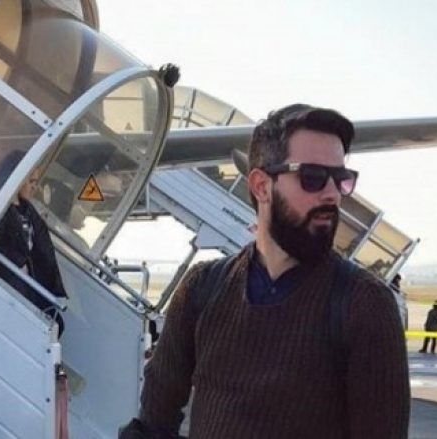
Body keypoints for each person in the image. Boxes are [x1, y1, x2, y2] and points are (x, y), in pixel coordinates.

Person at [122, 104, 409, 438]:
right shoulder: (203, 288)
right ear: (261, 186)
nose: (332, 194)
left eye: (341, 179)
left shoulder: (365, 304)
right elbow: (153, 424)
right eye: (312, 177)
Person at [0, 150, 68, 337]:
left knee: (55, 324)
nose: (34, 186)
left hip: (32, 282)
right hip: (14, 283)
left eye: (36, 182)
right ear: (17, 179)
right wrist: (18, 263)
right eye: (31, 181)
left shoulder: (27, 210)